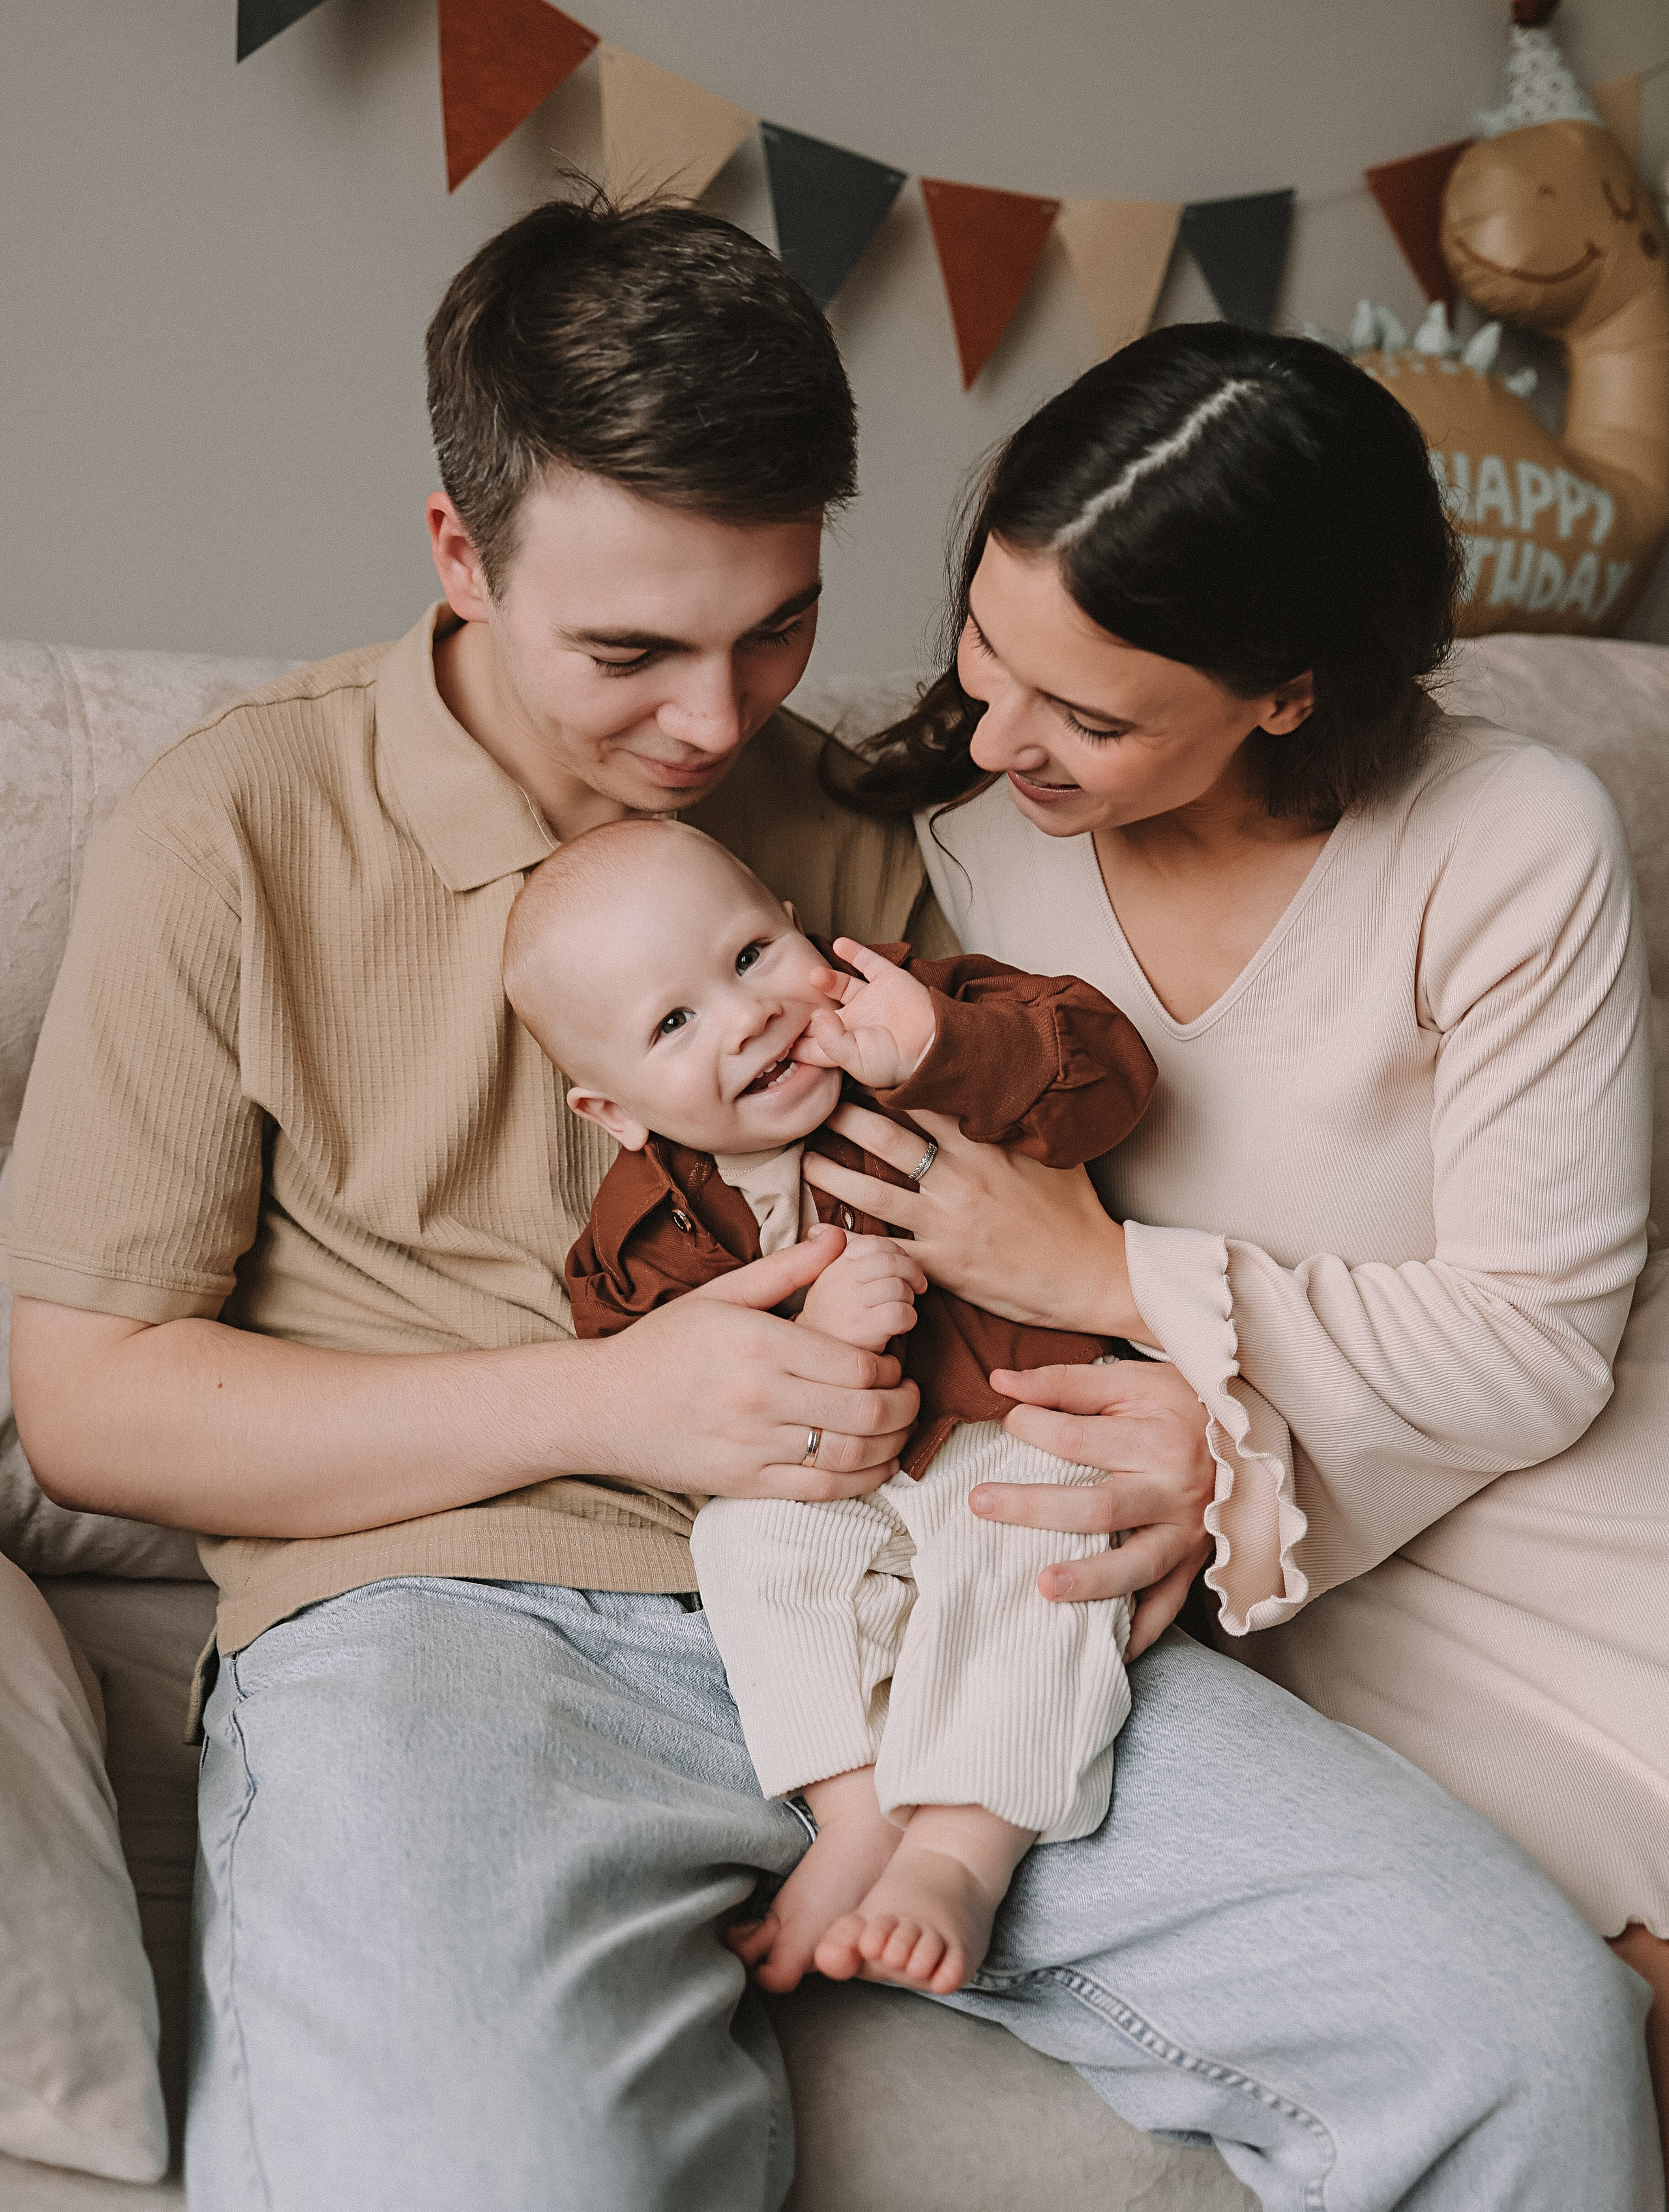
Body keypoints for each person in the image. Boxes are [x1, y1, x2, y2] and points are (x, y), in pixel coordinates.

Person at [1, 195, 1656, 2211]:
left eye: (774, 626)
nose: (713, 727)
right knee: (476, 2170)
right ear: (459, 549)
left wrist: (1164, 1453)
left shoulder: (878, 833)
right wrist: (608, 1408)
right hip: (444, 1614)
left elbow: (1065, 1211)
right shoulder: (226, 834)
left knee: (1519, 2033)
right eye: (631, 649)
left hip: (931, 1567)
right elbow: (85, 1407)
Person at [824, 318, 1669, 2162]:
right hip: (1256, 1527)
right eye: (985, 644)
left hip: (1565, 1493)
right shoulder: (955, 835)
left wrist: (1106, 1275)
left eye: (1091, 715)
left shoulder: (1511, 838)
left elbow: (1537, 1347)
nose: (995, 732)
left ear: (1287, 692)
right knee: (1522, 2008)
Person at [503, 817, 1153, 1997]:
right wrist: (804, 1341)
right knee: (742, 1545)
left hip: (1020, 1416)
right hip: (835, 1472)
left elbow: (1109, 1077)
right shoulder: (654, 1216)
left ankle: (962, 1849)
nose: (745, 1016)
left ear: (802, 931)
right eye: (673, 1023)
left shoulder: (933, 1015)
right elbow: (650, 1370)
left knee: (1035, 1558)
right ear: (613, 1110)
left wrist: (942, 1053)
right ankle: (849, 1808)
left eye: (751, 957)